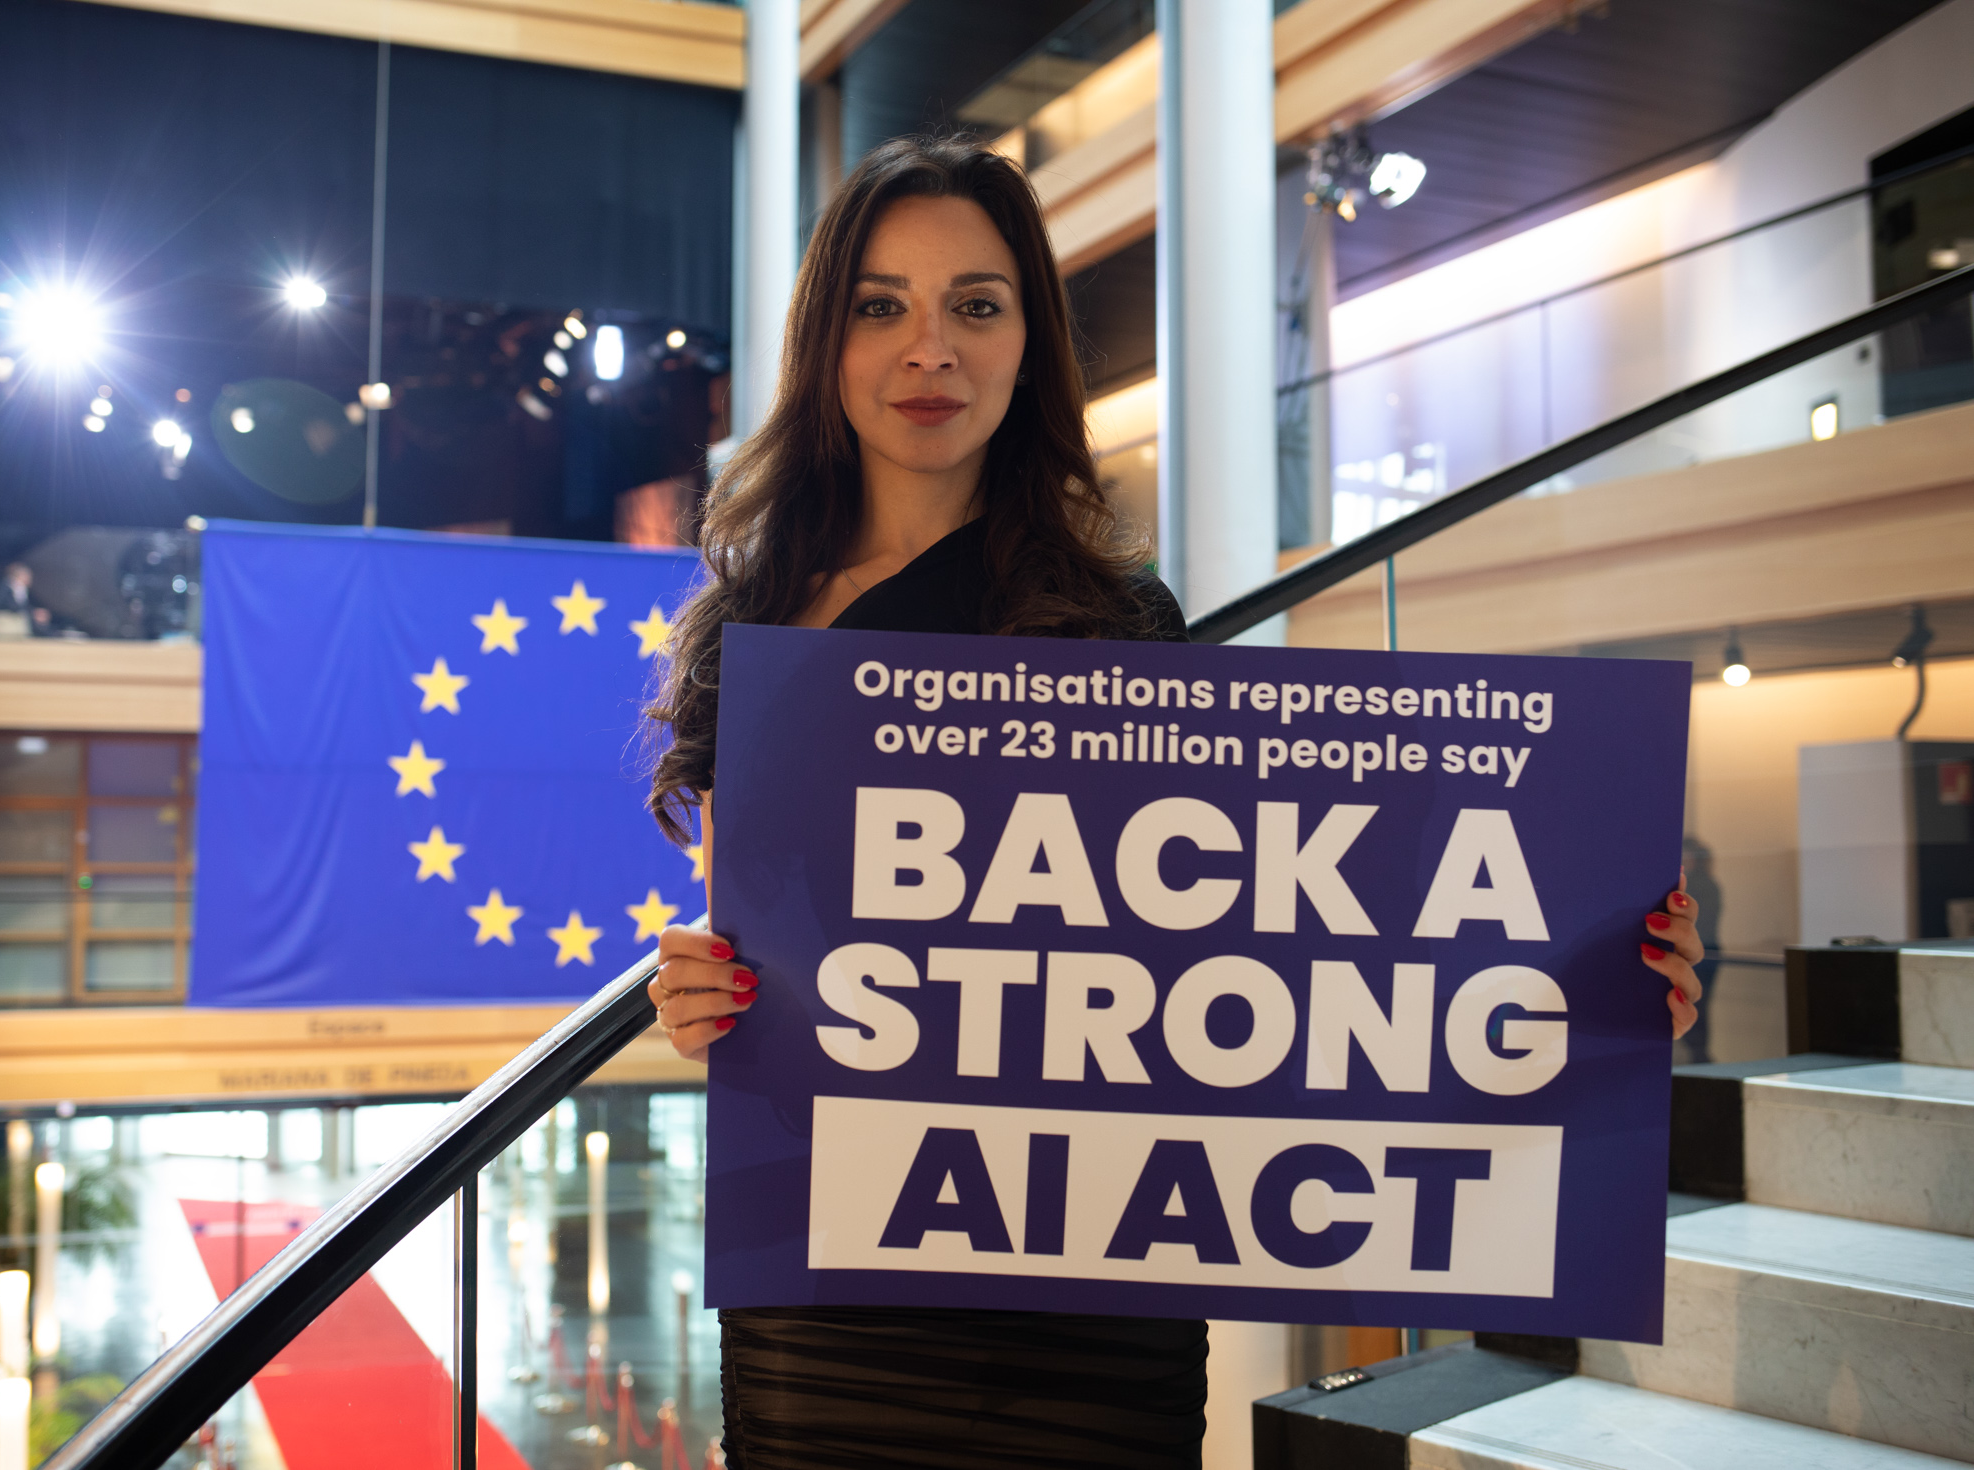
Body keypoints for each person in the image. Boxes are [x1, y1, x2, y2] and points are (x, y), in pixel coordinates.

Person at [645, 135, 1706, 1470]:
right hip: (832, 1275)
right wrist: (698, 998)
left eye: (975, 304)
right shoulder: (755, 622)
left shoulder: (1118, 622)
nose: (929, 349)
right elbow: (754, 948)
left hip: (1088, 1296)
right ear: (825, 340)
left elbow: (1276, 947)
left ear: (1027, 341)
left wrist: (1600, 989)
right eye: (881, 305)